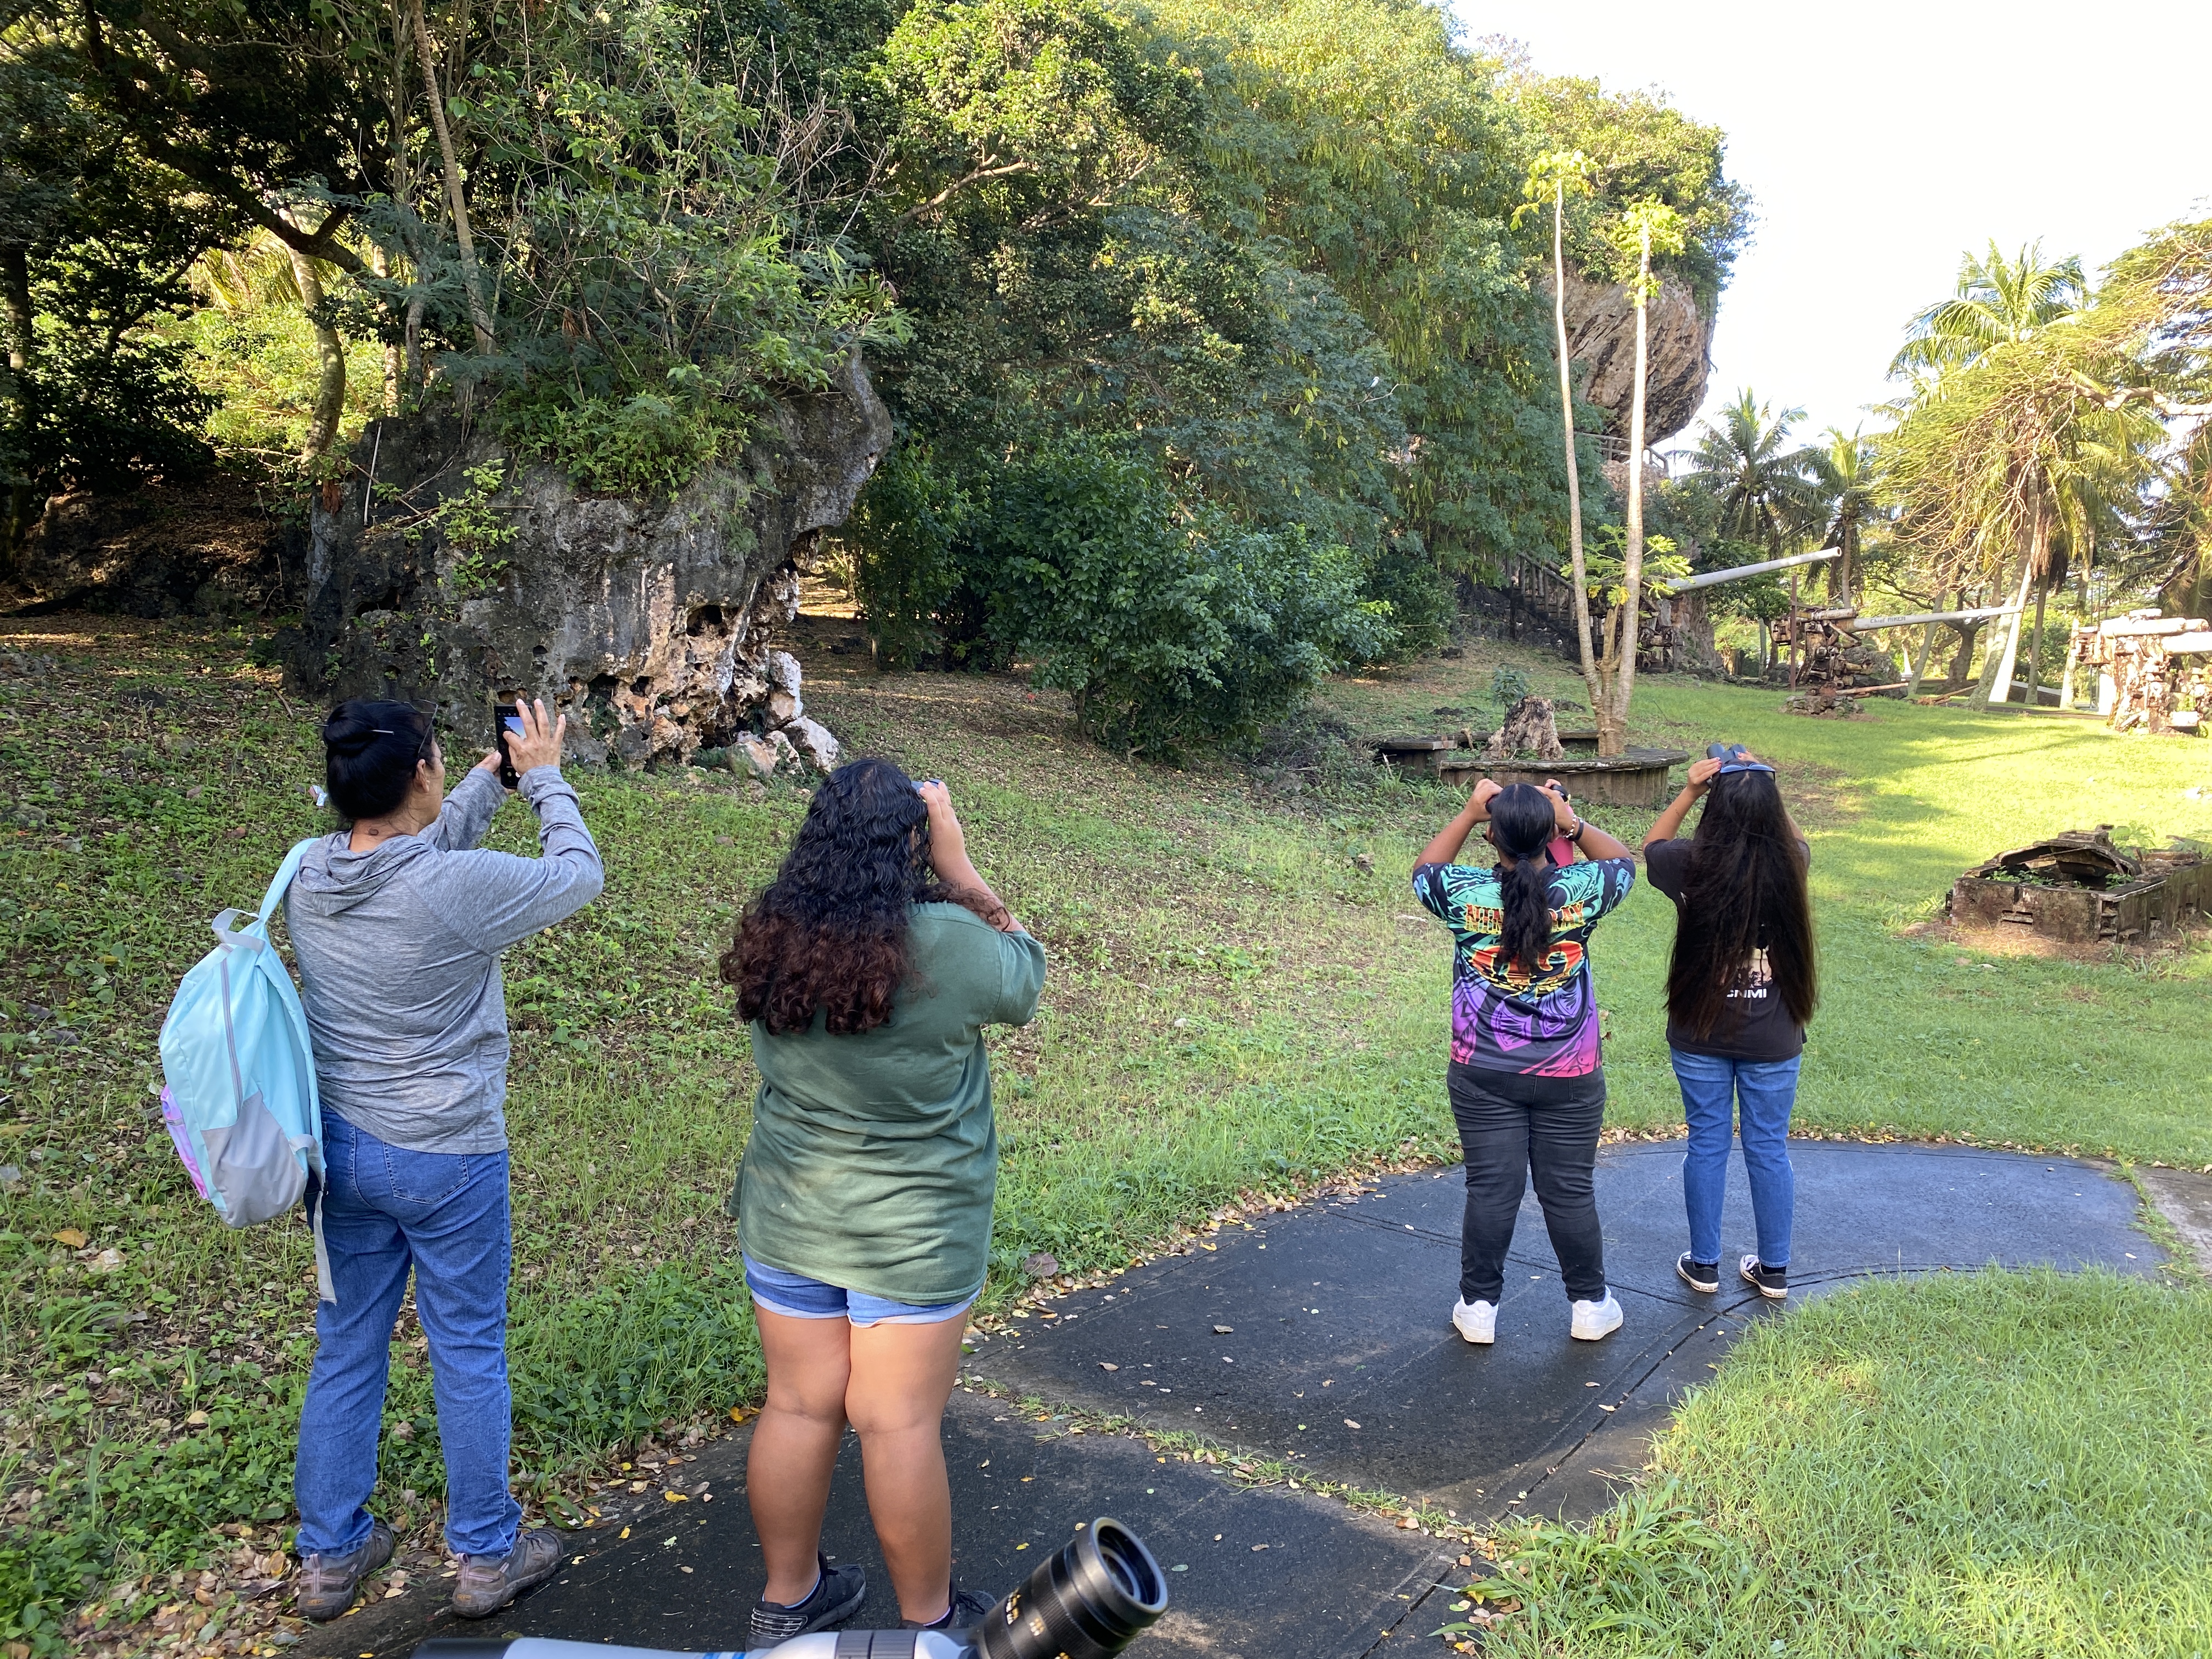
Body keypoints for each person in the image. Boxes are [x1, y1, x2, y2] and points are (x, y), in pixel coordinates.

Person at [284, 698, 603, 1622]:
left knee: (346, 1343)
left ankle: (330, 1554)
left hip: (342, 1150)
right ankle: (485, 1554)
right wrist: (542, 775)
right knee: (466, 1345)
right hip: (450, 1155)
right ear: (417, 773)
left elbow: (413, 852)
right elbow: (577, 874)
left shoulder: (308, 872)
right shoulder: (453, 889)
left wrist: (483, 780)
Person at [720, 759, 1045, 1640]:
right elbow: (1026, 978)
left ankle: (787, 1603)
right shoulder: (947, 940)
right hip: (914, 1235)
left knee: (796, 1405)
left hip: (790, 1218)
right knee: (896, 1423)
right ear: (915, 845)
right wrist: (965, 871)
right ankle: (927, 1624)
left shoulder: (775, 934)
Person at [1413, 777, 1639, 1345]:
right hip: (1571, 1071)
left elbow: (1425, 870)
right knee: (1569, 1191)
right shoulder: (1583, 889)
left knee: (1492, 1189)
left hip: (1483, 1069)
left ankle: (1479, 1308)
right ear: (1549, 834)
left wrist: (1467, 812)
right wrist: (1574, 822)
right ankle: (1589, 1305)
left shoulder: (1465, 893)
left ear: (1492, 837)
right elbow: (1624, 862)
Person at [1643, 747, 1816, 1301]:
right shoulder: (1793, 864)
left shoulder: (1686, 865)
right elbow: (1793, 840)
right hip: (1774, 1038)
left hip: (1701, 1032)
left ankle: (1705, 1264)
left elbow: (1651, 847)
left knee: (1708, 1143)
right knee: (1769, 1147)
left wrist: (1692, 789)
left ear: (1714, 810)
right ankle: (1774, 1271)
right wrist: (1768, 782)